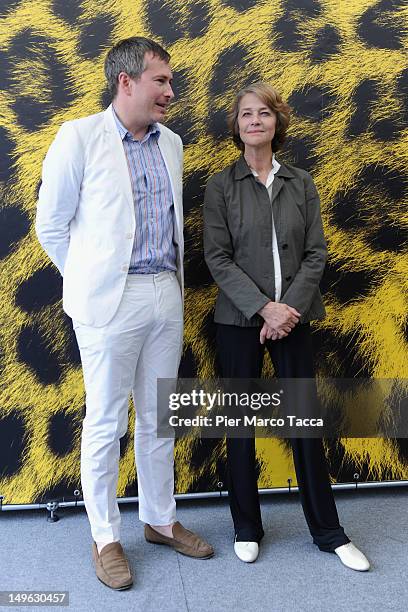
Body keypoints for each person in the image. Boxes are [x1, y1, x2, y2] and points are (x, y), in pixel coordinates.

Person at [36, 36, 213, 591]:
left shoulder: (173, 143)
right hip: (108, 304)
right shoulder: (80, 137)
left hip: (166, 292)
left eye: (169, 81)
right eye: (160, 81)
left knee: (161, 415)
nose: (170, 91)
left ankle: (159, 519)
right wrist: (91, 283)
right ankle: (106, 535)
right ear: (127, 82)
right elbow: (51, 226)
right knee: (107, 422)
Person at [203, 82, 369, 571]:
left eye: (264, 113)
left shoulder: (302, 182)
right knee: (240, 424)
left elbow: (316, 254)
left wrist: (286, 310)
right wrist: (262, 309)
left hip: (294, 318)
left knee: (303, 424)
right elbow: (217, 257)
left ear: (278, 123)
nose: (255, 121)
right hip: (239, 320)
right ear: (236, 126)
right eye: (246, 114)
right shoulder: (220, 186)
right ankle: (246, 527)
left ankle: (329, 532)